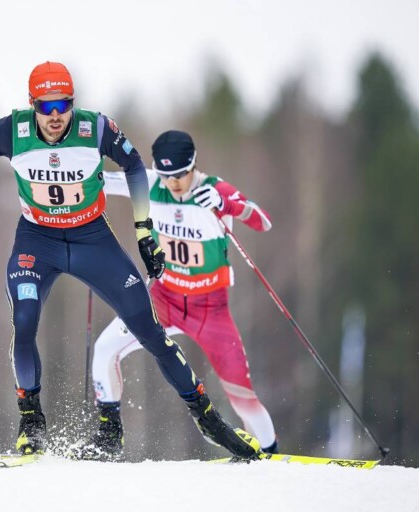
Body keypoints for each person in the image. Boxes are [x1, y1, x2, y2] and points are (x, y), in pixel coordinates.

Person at [0, 62, 260, 460]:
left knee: (148, 330)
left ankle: (209, 420)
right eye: (46, 106)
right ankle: (31, 423)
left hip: (93, 241)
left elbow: (134, 165)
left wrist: (144, 233)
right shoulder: (12, 131)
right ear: (32, 104)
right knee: (24, 321)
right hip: (37, 242)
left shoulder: (96, 129)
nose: (56, 117)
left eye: (64, 105)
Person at [76, 130, 278, 460]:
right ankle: (109, 436)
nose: (174, 183)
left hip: (209, 308)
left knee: (241, 393)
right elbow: (96, 179)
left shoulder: (213, 189)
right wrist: (84, 166)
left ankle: (272, 452)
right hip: (163, 302)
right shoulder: (151, 183)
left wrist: (227, 204)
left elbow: (262, 221)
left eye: (181, 175)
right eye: (167, 175)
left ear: (193, 165)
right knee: (104, 348)